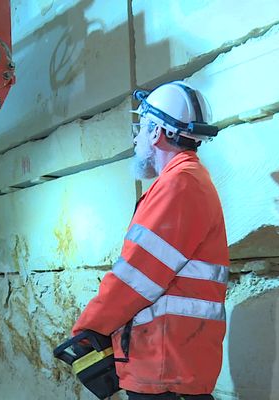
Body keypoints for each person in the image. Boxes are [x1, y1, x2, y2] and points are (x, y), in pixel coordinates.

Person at [72, 81, 229, 400]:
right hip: (172, 361)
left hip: (165, 366)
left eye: (141, 128)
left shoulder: (179, 186)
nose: (137, 137)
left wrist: (89, 329)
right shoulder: (187, 182)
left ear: (156, 132)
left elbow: (136, 276)